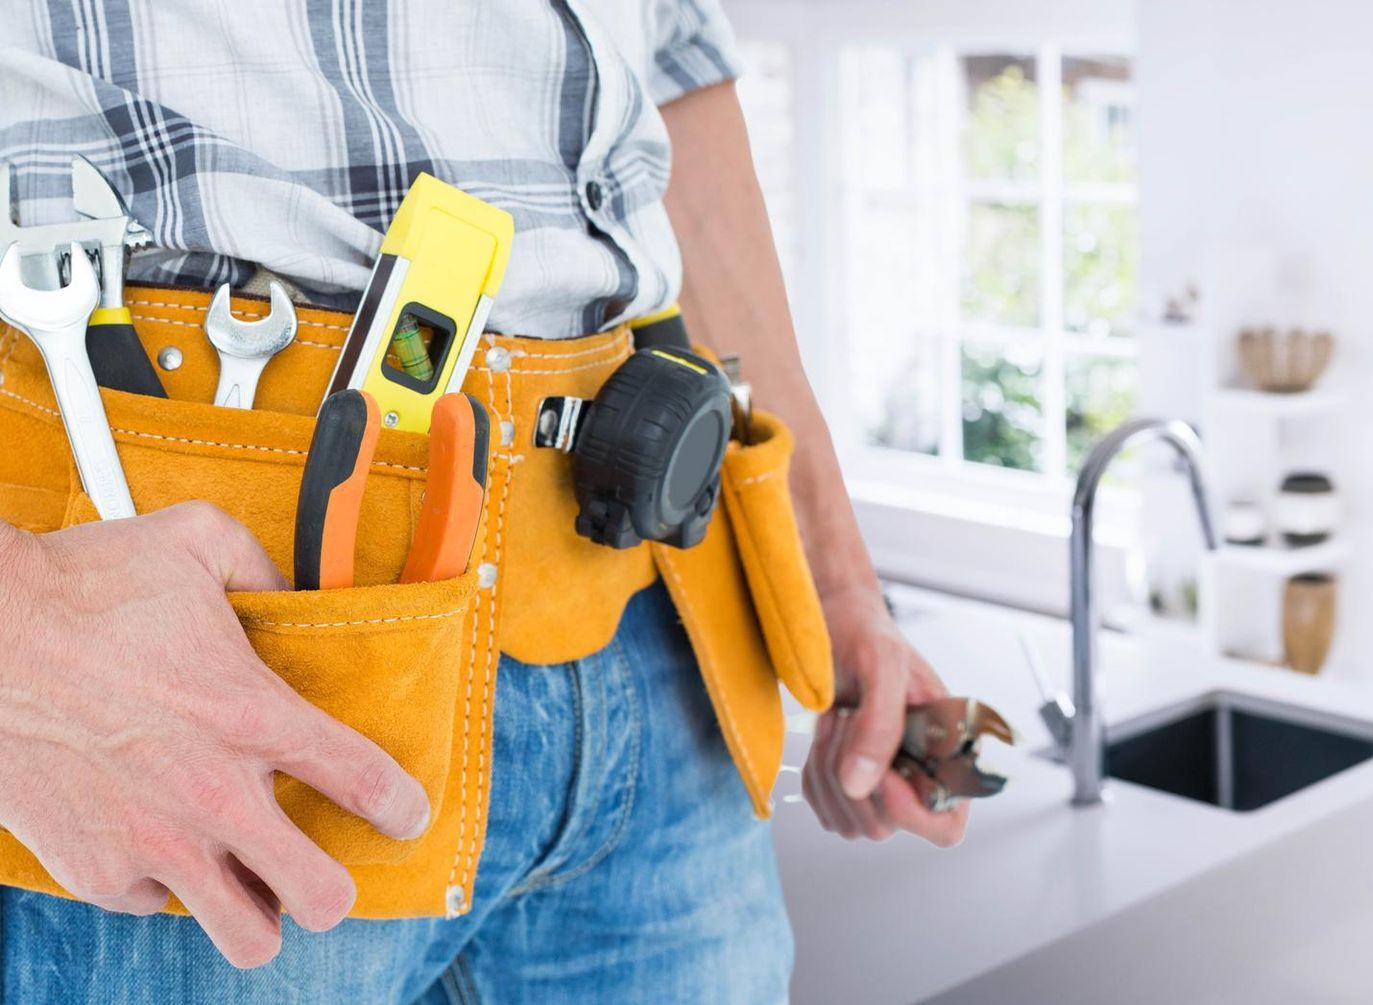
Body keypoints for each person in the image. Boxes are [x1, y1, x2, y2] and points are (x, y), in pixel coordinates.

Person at [0, 1, 964, 1000]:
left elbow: (677, 72)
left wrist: (832, 574)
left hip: (661, 649)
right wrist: (24, 639)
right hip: (193, 678)